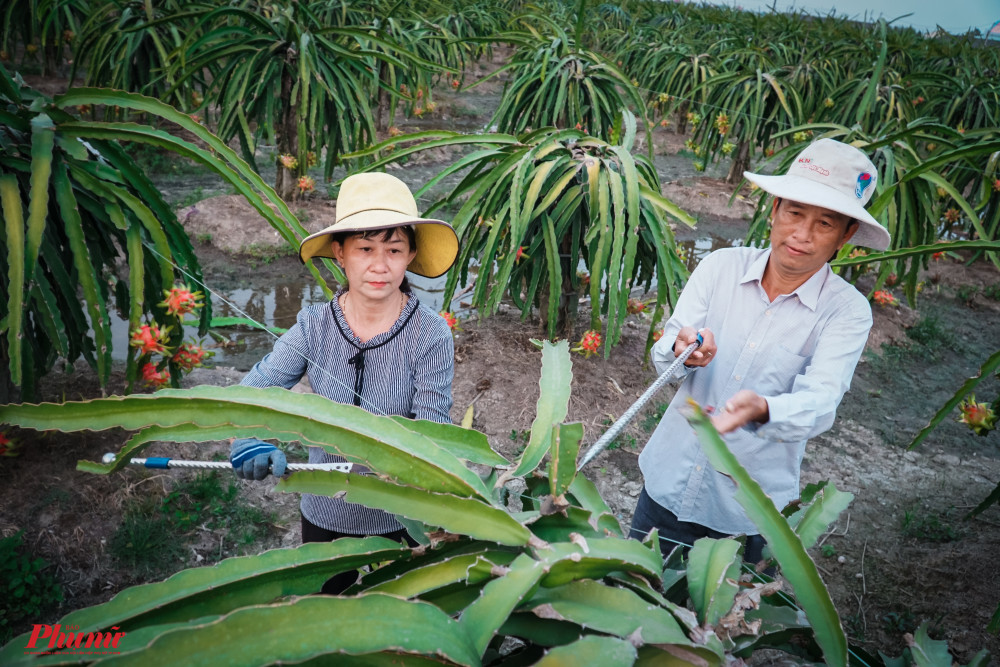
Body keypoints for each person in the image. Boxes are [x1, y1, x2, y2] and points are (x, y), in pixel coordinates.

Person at [630, 138, 891, 564]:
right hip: (667, 482)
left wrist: (764, 409)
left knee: (719, 627)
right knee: (633, 601)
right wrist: (682, 350)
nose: (801, 235)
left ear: (845, 236)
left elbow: (821, 401)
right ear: (774, 211)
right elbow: (669, 351)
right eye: (793, 212)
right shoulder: (720, 268)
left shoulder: (846, 312)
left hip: (746, 513)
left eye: (824, 224)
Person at [229, 172, 459, 593]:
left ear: (410, 256)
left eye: (394, 249)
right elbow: (254, 392)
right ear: (339, 253)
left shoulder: (431, 334)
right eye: (365, 248)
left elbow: (433, 435)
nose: (379, 264)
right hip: (324, 517)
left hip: (402, 518)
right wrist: (248, 440)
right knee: (328, 617)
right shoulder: (312, 325)